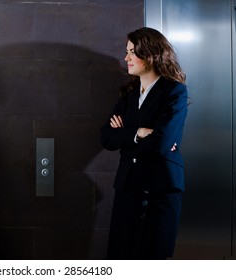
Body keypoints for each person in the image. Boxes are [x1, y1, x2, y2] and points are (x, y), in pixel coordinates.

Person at [100, 27, 188, 259]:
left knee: (153, 258)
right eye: (126, 51)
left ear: (149, 55)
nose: (126, 58)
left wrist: (126, 136)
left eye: (132, 52)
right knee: (121, 256)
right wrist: (138, 132)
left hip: (161, 188)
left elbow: (161, 143)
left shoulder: (174, 92)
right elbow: (107, 138)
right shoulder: (128, 95)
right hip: (128, 186)